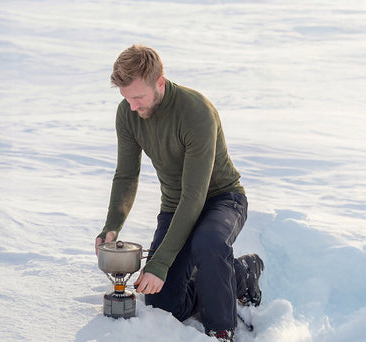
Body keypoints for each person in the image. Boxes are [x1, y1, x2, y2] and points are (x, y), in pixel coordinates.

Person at [94, 44, 264, 342]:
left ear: (159, 82)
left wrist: (159, 263)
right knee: (162, 302)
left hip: (222, 200)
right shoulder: (128, 113)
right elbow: (126, 176)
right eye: (126, 98)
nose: (132, 106)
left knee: (209, 242)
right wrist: (111, 227)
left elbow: (195, 196)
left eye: (138, 97)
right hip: (176, 206)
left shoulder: (196, 111)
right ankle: (221, 277)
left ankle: (223, 325)